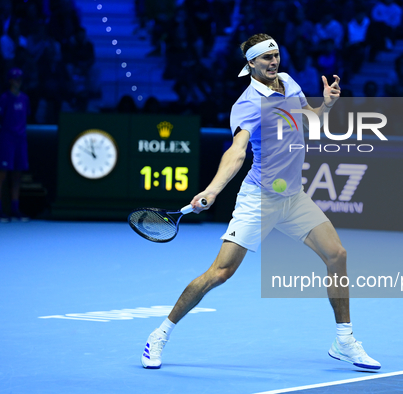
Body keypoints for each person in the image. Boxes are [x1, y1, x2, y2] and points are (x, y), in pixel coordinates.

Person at [140, 33, 381, 372]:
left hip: (294, 196)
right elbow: (237, 152)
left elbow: (307, 120)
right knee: (220, 273)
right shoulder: (248, 104)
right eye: (265, 58)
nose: (273, 62)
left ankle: (344, 340)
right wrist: (212, 189)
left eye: (276, 55)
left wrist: (325, 105)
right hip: (260, 198)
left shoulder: (289, 83)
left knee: (337, 255)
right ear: (250, 63)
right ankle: (159, 334)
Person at [0, 68, 30, 222]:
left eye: (20, 79)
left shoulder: (25, 99)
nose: (18, 82)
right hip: (7, 138)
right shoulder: (4, 98)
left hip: (21, 139)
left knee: (17, 174)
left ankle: (15, 209)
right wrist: (2, 135)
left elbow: (25, 118)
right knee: (2, 174)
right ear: (10, 81)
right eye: (15, 79)